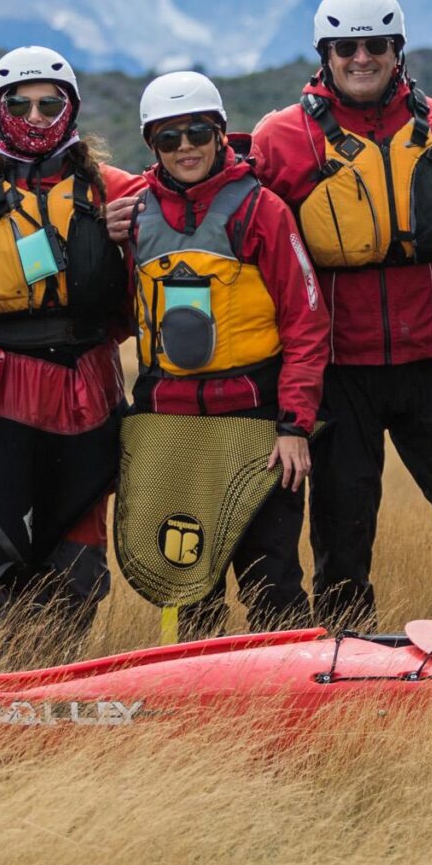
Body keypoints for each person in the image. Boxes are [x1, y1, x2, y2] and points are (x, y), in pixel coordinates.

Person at [243, 0, 432, 626]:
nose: (361, 57)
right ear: (325, 53)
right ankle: (349, 671)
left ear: (398, 51)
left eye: (376, 45)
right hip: (340, 376)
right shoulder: (282, 137)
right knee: (342, 549)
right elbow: (237, 221)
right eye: (347, 46)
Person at [0, 46, 143, 665]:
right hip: (4, 391)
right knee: (9, 556)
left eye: (51, 103)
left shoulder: (118, 192)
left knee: (76, 558)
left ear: (72, 107)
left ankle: (62, 685)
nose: (35, 114)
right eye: (18, 104)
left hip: (87, 384)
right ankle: (10, 690)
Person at [123, 71, 326, 636]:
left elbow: (306, 324)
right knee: (186, 585)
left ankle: (287, 710)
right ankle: (194, 714)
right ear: (152, 146)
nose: (185, 147)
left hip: (257, 428)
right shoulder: (132, 215)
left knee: (272, 580)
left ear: (218, 134)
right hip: (171, 429)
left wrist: (294, 426)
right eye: (169, 138)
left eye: (196, 133)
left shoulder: (262, 211)